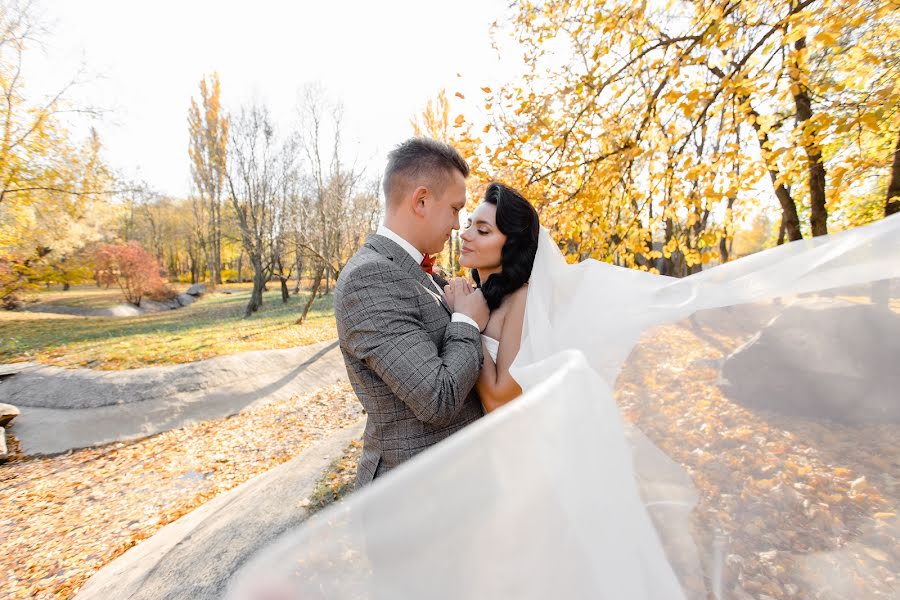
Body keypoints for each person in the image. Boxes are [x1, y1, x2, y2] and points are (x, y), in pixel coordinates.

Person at [334, 137, 490, 487]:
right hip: (414, 500)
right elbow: (437, 398)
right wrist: (466, 321)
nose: (456, 225)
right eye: (454, 209)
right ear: (421, 200)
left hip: (451, 488)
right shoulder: (370, 278)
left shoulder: (418, 272)